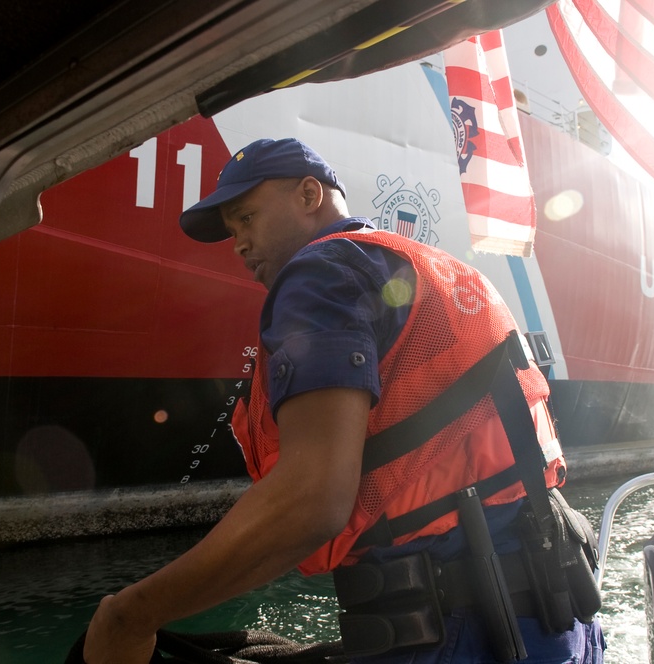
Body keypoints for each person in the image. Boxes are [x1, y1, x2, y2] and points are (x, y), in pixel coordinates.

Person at [82, 138, 605, 664]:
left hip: (457, 632)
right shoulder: (433, 267)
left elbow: (313, 500)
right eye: (232, 230)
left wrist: (132, 615)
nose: (238, 243)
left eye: (247, 217)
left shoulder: (321, 277)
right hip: (560, 621)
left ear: (310, 194)